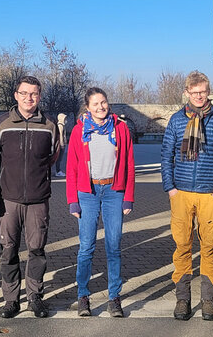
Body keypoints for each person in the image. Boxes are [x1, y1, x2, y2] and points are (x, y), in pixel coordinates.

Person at [161, 71, 213, 321]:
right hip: (180, 193)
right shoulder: (176, 120)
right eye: (195, 93)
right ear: (187, 93)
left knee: (209, 246)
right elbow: (166, 155)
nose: (200, 96)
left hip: (209, 195)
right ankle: (183, 299)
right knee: (182, 246)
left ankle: (208, 300)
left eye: (203, 91)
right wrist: (169, 186)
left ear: (208, 91)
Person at [0, 75, 59, 319]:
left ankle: (35, 297)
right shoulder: (2, 124)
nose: (29, 98)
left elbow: (52, 157)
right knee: (8, 250)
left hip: (38, 200)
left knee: (37, 250)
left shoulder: (49, 126)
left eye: (34, 94)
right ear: (15, 95)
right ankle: (11, 300)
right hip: (8, 200)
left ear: (39, 96)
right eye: (24, 93)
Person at [65, 87, 135, 318]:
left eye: (103, 102)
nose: (100, 107)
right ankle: (83, 295)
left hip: (114, 192)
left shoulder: (121, 129)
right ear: (88, 107)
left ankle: (114, 297)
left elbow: (129, 164)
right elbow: (72, 168)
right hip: (88, 193)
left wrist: (128, 197)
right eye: (95, 104)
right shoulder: (79, 131)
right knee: (86, 247)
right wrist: (72, 201)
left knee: (113, 246)